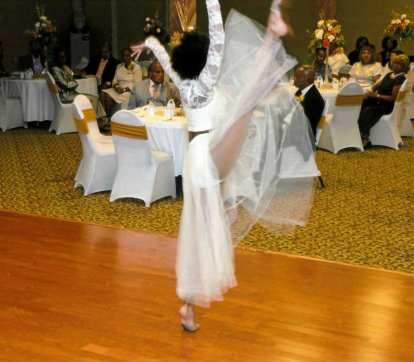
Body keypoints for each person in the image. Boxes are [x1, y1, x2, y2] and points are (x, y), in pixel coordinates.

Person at [132, 0, 314, 332]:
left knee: (200, 231)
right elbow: (217, 34)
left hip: (198, 160)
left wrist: (152, 44)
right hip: (206, 155)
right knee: (244, 102)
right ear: (203, 60)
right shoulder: (203, 82)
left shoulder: (185, 84)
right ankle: (272, 36)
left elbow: (167, 61)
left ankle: (188, 307)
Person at [358, 54, 409, 148]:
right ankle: (361, 134)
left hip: (387, 105)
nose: (396, 65)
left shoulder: (400, 78)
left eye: (400, 64)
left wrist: (376, 95)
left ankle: (364, 137)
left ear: (404, 67)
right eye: (395, 63)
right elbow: (377, 85)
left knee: (367, 110)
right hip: (378, 101)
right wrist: (370, 91)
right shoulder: (389, 75)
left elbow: (392, 98)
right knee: (361, 103)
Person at [51, 48, 106, 123]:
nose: (63, 59)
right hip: (64, 96)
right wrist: (74, 83)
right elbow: (65, 85)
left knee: (94, 98)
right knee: (92, 99)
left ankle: (99, 119)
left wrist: (73, 82)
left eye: (64, 57)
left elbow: (72, 80)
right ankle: (95, 121)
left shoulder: (66, 68)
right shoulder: (55, 70)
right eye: (60, 57)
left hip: (71, 93)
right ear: (56, 57)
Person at [100, 48, 142, 114]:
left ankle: (108, 116)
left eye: (127, 55)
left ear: (131, 56)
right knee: (102, 93)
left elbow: (137, 84)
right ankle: (104, 115)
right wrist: (117, 87)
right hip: (118, 89)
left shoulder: (136, 67)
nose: (125, 57)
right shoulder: (119, 66)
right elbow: (114, 80)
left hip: (129, 91)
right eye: (123, 55)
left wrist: (124, 90)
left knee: (108, 96)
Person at [294, 66, 324, 137]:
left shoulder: (314, 98)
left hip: (304, 138)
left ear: (305, 79)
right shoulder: (299, 92)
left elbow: (307, 124)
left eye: (297, 77)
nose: (294, 79)